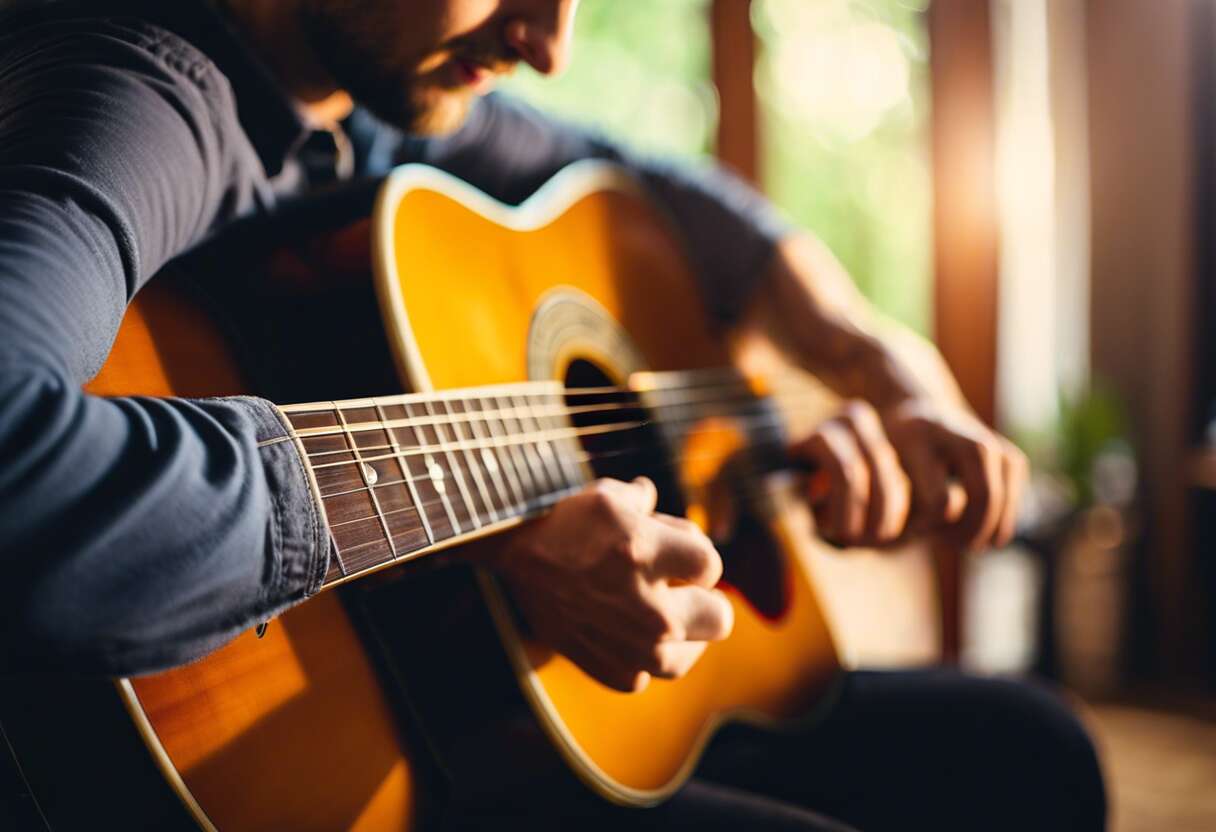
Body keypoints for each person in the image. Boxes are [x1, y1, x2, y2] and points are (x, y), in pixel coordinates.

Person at [0, 0, 1105, 829]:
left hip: (485, 708)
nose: (548, 39)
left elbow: (657, 189)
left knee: (1028, 750)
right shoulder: (127, 98)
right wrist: (472, 520)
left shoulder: (362, 96)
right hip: (361, 765)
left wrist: (883, 368)